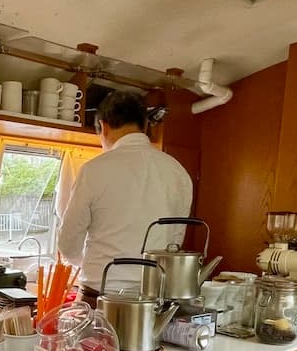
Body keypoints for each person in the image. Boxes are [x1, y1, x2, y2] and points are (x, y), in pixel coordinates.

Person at [57, 91, 194, 306]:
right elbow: (174, 243)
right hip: (154, 300)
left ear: (103, 126)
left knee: (95, 341)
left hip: (101, 297)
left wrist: (90, 263)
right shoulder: (178, 172)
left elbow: (68, 244)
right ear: (145, 126)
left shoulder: (94, 170)